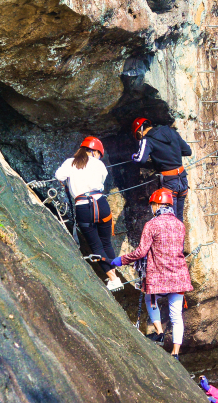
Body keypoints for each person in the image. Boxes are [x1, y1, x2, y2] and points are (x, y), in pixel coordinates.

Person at [111, 188, 193, 360]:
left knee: (150, 299)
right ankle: (176, 352)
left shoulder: (152, 225)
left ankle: (159, 332)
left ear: (156, 204)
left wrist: (122, 260)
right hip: (179, 275)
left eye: (152, 205)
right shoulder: (180, 225)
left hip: (158, 276)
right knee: (176, 315)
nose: (152, 208)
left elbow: (141, 252)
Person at [55, 136, 123, 291]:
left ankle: (113, 278)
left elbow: (59, 176)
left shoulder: (70, 162)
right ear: (95, 152)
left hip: (83, 206)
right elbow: (102, 180)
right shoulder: (99, 164)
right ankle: (114, 276)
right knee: (106, 242)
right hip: (100, 203)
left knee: (95, 244)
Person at [131, 117, 192, 221]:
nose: (139, 138)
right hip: (182, 179)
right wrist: (172, 152)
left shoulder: (147, 140)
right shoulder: (171, 131)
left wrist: (133, 157)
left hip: (169, 182)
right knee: (179, 218)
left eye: (138, 136)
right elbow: (187, 151)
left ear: (140, 132)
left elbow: (140, 159)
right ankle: (180, 237)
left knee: (170, 219)